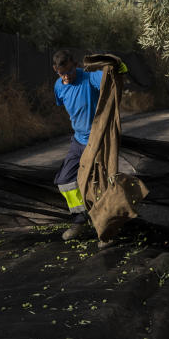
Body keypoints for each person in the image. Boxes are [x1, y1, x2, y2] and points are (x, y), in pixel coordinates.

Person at [51, 49, 102, 240]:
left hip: (97, 140)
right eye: (62, 73)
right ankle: (80, 219)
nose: (67, 76)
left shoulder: (89, 78)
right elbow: (61, 102)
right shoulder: (59, 85)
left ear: (76, 66)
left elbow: (108, 77)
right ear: (55, 70)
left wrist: (117, 68)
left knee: (97, 183)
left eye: (70, 72)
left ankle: (105, 229)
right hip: (78, 140)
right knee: (65, 181)